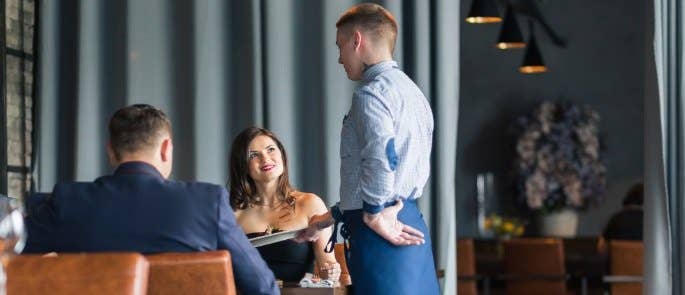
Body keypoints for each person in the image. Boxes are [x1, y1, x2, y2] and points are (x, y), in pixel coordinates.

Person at [23, 104, 279, 295]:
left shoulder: (68, 201)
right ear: (166, 148)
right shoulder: (207, 202)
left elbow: (8, 252)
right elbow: (262, 287)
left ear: (111, 151)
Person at [296, 3, 439, 294]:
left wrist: (374, 214)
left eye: (340, 46)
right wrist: (328, 218)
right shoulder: (414, 93)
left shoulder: (370, 94)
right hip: (407, 222)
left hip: (380, 234)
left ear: (357, 40)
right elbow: (393, 174)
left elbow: (381, 159)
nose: (339, 58)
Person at [228, 126, 341, 283]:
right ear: (242, 165)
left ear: (282, 154)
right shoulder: (231, 212)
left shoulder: (309, 204)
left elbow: (327, 265)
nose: (265, 159)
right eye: (253, 155)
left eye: (271, 149)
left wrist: (331, 271)